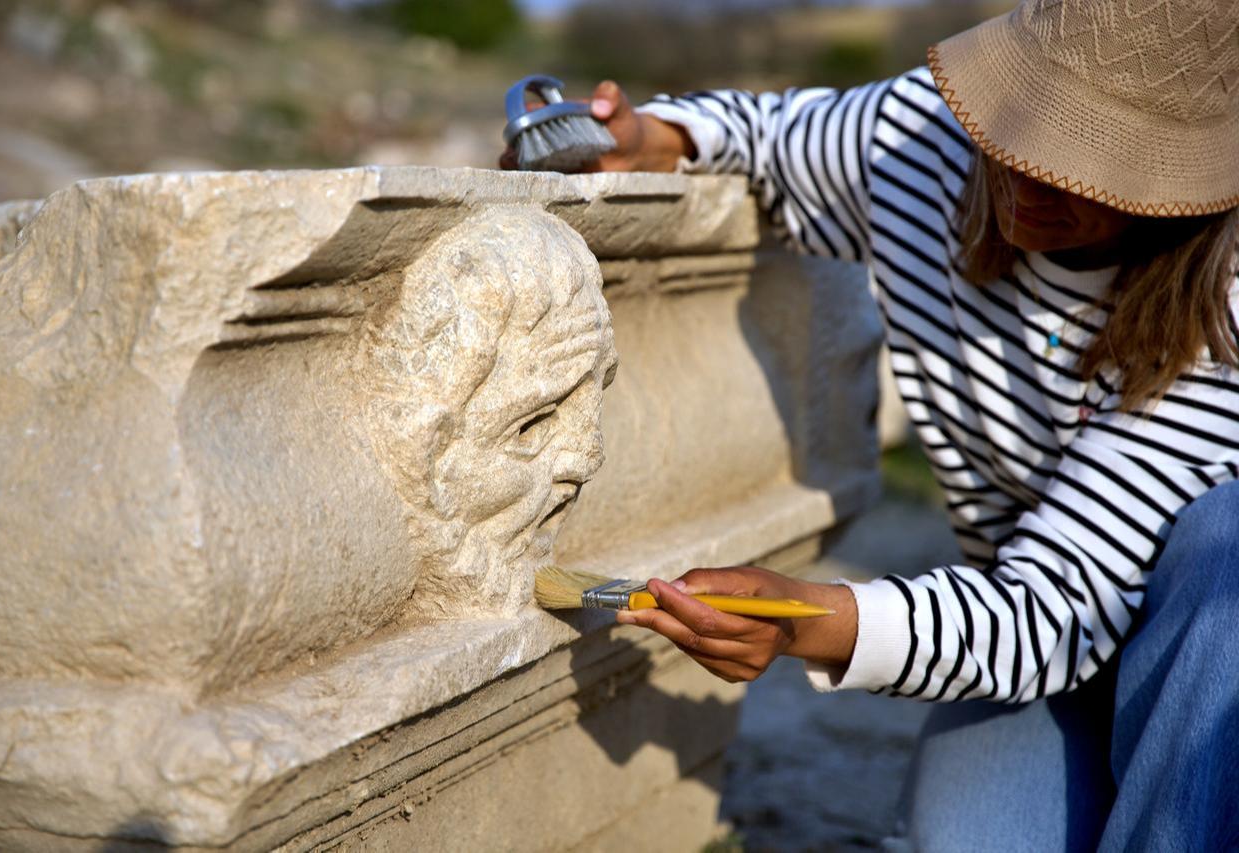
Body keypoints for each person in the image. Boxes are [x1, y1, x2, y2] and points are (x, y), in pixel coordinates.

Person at [505, 1, 1239, 849]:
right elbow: (767, 134)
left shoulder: (1222, 306)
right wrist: (653, 139)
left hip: (1188, 641)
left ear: (1184, 192)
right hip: (1042, 646)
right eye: (1020, 127)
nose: (1028, 179)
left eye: (1085, 169)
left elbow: (1056, 603)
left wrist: (806, 620)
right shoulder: (927, 136)